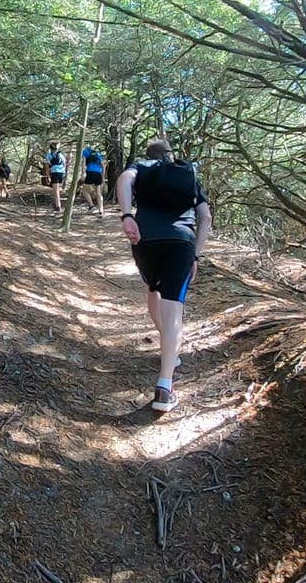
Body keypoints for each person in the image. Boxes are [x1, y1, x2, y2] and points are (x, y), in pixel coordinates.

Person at [116, 139, 212, 413]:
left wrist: (127, 215)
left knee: (152, 290)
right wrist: (196, 256)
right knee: (174, 309)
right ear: (171, 154)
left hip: (145, 241)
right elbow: (205, 218)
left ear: (149, 154)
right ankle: (164, 387)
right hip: (181, 242)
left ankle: (167, 346)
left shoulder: (142, 167)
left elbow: (124, 179)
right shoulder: (187, 174)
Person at [81, 146, 105, 215]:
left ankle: (91, 206)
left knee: (84, 191)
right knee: (98, 192)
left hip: (90, 172)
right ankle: (101, 210)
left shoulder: (85, 151)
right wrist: (103, 175)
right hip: (98, 173)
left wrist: (83, 173)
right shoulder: (98, 153)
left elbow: (83, 163)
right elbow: (102, 165)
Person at [46, 142, 66, 212]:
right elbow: (64, 163)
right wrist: (64, 172)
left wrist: (48, 176)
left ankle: (58, 206)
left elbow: (48, 167)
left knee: (56, 190)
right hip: (61, 173)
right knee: (58, 189)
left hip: (55, 172)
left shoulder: (49, 155)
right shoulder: (60, 154)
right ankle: (57, 204)